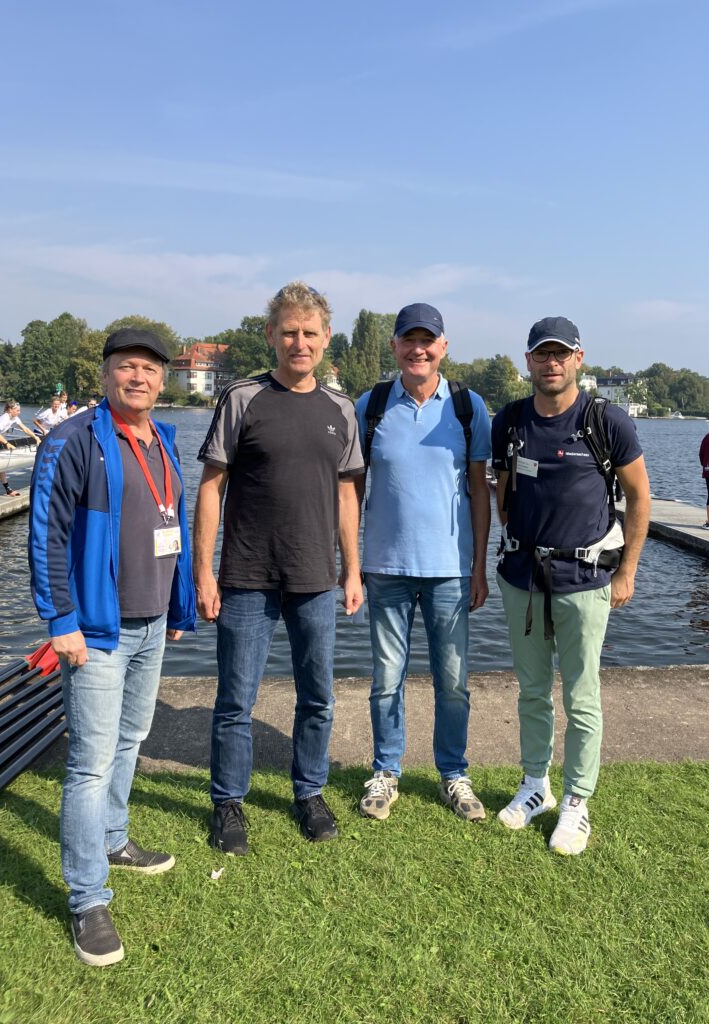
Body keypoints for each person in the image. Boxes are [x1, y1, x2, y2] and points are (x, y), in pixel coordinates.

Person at [28, 328, 196, 966]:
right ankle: (86, 898)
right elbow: (46, 531)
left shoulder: (164, 439)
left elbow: (169, 524)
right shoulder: (73, 440)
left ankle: (114, 840)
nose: (140, 379)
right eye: (127, 368)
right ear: (105, 376)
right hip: (96, 629)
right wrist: (59, 620)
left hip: (152, 622)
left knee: (131, 739)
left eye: (151, 370)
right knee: (90, 762)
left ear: (162, 381)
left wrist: (175, 604)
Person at [194, 282, 364, 854]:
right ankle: (228, 803)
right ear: (271, 335)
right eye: (288, 331)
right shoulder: (243, 399)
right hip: (245, 576)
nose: (299, 342)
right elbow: (211, 488)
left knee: (317, 695)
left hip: (315, 578)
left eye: (309, 332)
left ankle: (309, 791)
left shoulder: (341, 409)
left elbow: (347, 497)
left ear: (325, 338)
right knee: (235, 699)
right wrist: (204, 571)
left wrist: (353, 570)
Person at [492, 316, 650, 855]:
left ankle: (578, 802)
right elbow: (505, 491)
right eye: (542, 354)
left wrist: (626, 570)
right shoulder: (510, 420)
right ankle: (536, 784)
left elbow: (639, 498)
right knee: (532, 692)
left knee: (582, 698)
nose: (551, 363)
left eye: (561, 354)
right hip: (523, 579)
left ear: (578, 358)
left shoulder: (607, 422)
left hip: (585, 579)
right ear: (529, 360)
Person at [354, 303, 491, 822]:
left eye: (427, 340)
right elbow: (354, 489)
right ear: (394, 347)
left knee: (452, 679)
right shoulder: (371, 405)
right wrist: (351, 563)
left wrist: (478, 567)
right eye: (408, 340)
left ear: (443, 346)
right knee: (386, 677)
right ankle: (386, 771)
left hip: (450, 570)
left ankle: (453, 774)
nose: (418, 349)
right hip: (385, 567)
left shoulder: (467, 406)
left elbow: (480, 492)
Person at [0, 400, 39, 495]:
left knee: (0, 465)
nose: (19, 412)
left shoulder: (14, 418)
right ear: (10, 410)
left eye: (19, 410)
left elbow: (25, 428)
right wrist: (5, 442)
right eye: (17, 410)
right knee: (1, 465)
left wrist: (35, 437)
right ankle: (6, 489)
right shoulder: (5, 418)